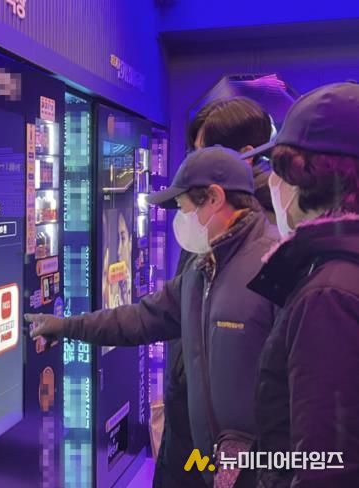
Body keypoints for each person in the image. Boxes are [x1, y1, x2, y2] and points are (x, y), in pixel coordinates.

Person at [27, 147, 279, 487]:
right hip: (215, 464)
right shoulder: (202, 269)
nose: (181, 220)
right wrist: (67, 326)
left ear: (215, 198)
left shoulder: (272, 264)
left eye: (184, 208)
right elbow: (142, 318)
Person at [154, 96, 279, 488]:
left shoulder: (270, 236)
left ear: (247, 154)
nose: (196, 163)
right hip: (189, 416)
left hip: (226, 443)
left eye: (206, 151)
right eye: (194, 152)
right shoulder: (208, 221)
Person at [241, 81, 359, 488]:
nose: (272, 185)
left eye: (279, 171)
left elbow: (326, 466)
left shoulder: (330, 294)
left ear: (310, 177)